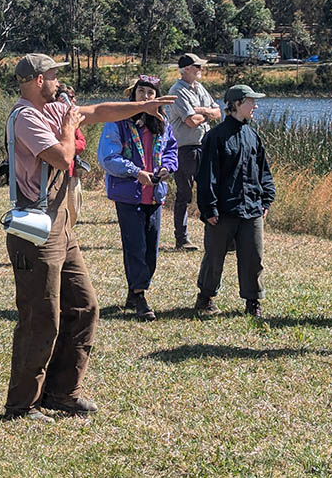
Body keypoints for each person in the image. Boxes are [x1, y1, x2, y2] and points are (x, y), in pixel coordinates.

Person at [4, 53, 175, 422]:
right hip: (36, 231)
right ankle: (22, 404)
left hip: (61, 225)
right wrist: (69, 125)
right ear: (37, 80)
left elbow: (99, 111)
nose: (56, 81)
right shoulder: (26, 117)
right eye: (52, 76)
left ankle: (62, 393)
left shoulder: (56, 107)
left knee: (84, 307)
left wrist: (141, 106)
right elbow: (62, 155)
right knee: (41, 317)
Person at [97, 76, 178, 322]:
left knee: (151, 249)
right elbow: (108, 158)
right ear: (132, 95)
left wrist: (167, 168)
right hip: (128, 194)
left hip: (154, 195)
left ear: (157, 97)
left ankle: (134, 292)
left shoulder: (162, 123)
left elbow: (172, 150)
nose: (145, 97)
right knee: (135, 247)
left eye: (150, 93)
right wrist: (136, 172)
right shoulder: (118, 122)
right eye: (140, 92)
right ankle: (141, 297)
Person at [193, 84, 275, 319]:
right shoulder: (215, 137)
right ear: (237, 104)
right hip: (223, 211)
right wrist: (209, 208)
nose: (256, 106)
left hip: (252, 210)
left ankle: (253, 301)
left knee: (253, 257)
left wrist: (265, 201)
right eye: (251, 101)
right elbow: (206, 175)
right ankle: (205, 298)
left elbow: (263, 172)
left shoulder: (252, 135)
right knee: (214, 256)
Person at [166, 53, 220, 251]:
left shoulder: (200, 88)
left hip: (204, 147)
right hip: (185, 150)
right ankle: (182, 239)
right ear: (186, 69)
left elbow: (218, 112)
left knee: (209, 191)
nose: (201, 69)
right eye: (197, 66)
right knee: (184, 195)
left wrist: (201, 110)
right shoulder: (177, 92)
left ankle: (216, 237)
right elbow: (191, 121)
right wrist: (206, 112)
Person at [60, 85, 87, 227]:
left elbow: (81, 143)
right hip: (54, 175)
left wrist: (67, 145)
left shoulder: (73, 120)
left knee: (73, 211)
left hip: (71, 173)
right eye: (70, 97)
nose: (74, 100)